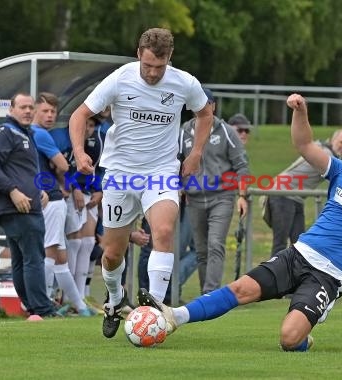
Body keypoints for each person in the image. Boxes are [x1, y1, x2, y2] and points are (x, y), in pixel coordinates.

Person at [138, 93, 342, 351]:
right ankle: (174, 316)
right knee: (240, 289)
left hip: (327, 277)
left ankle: (303, 333)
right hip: (297, 255)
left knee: (289, 340)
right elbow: (304, 144)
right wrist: (301, 111)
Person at [69, 27, 214, 338]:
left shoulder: (184, 82)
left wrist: (196, 153)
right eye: (147, 65)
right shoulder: (121, 78)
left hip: (161, 171)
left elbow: (205, 113)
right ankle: (115, 300)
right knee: (112, 253)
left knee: (162, 231)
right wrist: (80, 153)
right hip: (120, 172)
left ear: (169, 59)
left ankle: (155, 310)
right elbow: (79, 115)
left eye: (159, 67)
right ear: (138, 55)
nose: (152, 72)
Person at [0, 93, 58, 318]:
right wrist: (13, 192)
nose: (27, 111)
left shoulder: (25, 133)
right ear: (11, 110)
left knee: (21, 260)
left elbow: (21, 170)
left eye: (30, 107)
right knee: (34, 258)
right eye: (22, 107)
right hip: (19, 207)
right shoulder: (8, 132)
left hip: (26, 204)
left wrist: (39, 190)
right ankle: (43, 309)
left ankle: (32, 307)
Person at [180, 87, 249, 294]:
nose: (203, 106)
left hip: (222, 197)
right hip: (194, 199)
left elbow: (242, 165)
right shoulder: (184, 131)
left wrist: (243, 196)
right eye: (198, 102)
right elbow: (175, 162)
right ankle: (205, 296)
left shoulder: (226, 131)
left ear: (214, 106)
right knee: (200, 251)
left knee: (215, 244)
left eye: (207, 103)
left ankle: (211, 294)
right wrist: (178, 186)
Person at [32, 92, 94, 316]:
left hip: (51, 197)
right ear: (35, 111)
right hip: (51, 199)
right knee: (52, 252)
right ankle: (46, 303)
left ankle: (79, 305)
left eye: (53, 112)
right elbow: (64, 166)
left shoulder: (34, 134)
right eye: (45, 111)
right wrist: (72, 185)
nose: (49, 116)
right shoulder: (40, 134)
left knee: (60, 255)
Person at [263, 129, 342, 255]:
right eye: (341, 142)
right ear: (333, 140)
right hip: (282, 193)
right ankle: (274, 274)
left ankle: (293, 274)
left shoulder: (325, 150)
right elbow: (341, 179)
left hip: (296, 198)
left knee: (299, 245)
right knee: (280, 244)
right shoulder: (326, 155)